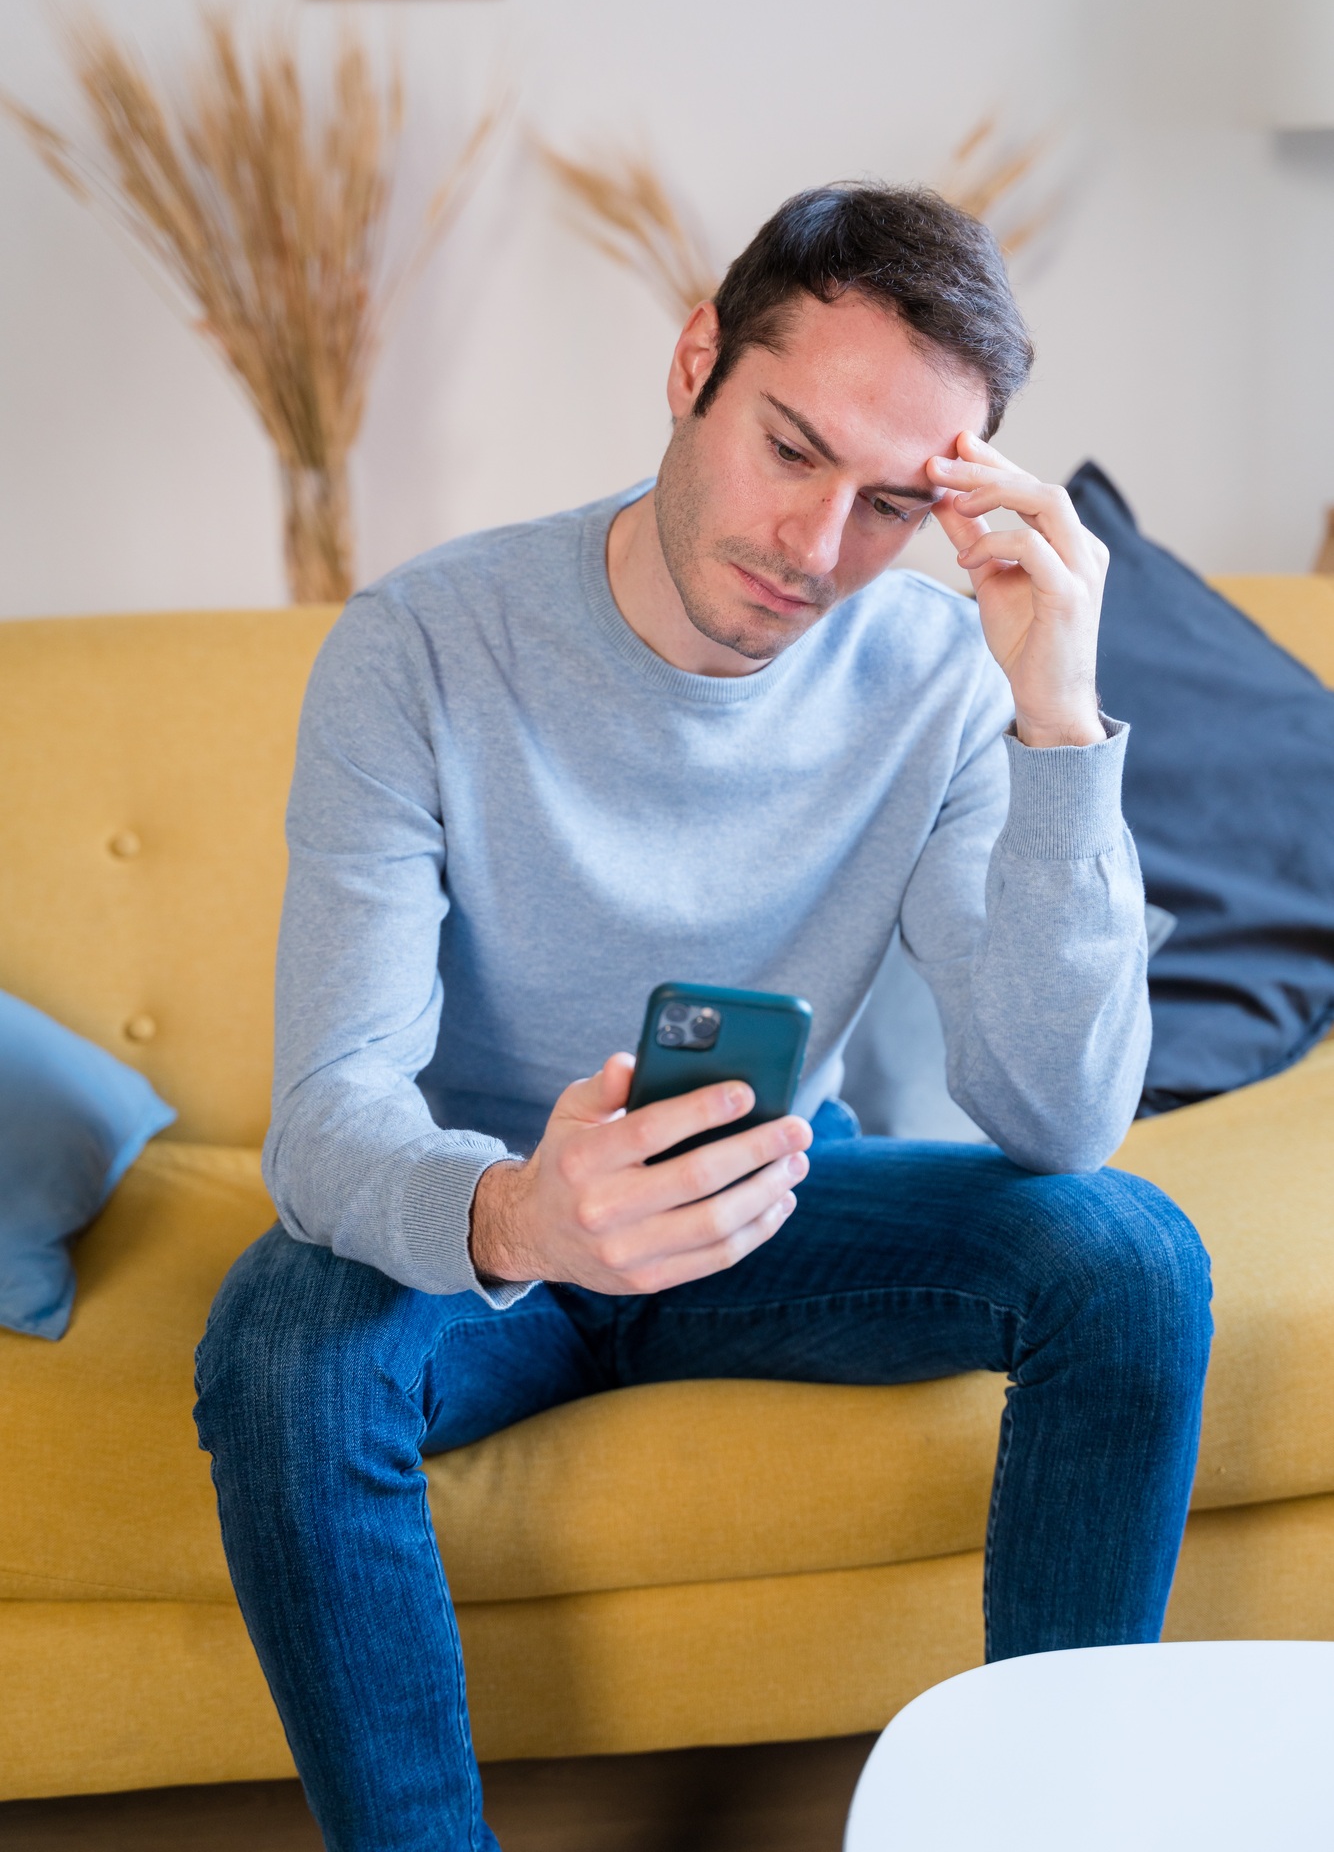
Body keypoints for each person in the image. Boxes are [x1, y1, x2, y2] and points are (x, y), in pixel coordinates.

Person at [195, 184, 1213, 1852]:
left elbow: (1059, 1118)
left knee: (1129, 1254)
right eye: (788, 449)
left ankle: (1046, 1826)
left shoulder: (942, 677)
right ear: (695, 367)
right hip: (491, 1231)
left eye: (891, 504)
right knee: (281, 1338)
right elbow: (328, 1108)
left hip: (771, 1207)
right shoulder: (421, 647)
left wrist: (1054, 716)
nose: (815, 547)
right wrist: (522, 1213)